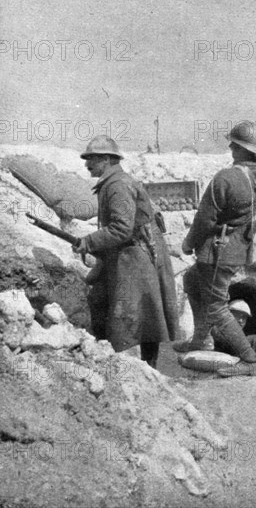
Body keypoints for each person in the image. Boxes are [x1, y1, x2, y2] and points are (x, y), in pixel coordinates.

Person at [173, 120, 256, 364]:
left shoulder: (224, 179)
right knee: (192, 280)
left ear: (243, 149)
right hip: (238, 249)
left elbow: (204, 219)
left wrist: (187, 244)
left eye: (235, 145)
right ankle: (200, 340)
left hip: (218, 251)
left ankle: (249, 356)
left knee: (216, 307)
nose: (230, 147)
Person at [73, 135, 179, 368]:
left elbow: (121, 229)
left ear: (107, 159)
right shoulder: (112, 182)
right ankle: (134, 363)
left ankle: (139, 368)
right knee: (141, 308)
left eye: (92, 159)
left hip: (138, 254)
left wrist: (89, 242)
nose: (87, 164)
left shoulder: (118, 185)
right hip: (133, 251)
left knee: (141, 310)